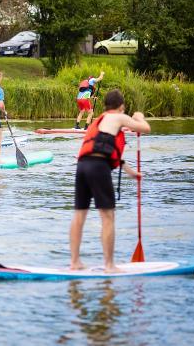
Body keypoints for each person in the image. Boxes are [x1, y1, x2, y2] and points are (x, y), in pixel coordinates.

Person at [70, 89, 150, 273]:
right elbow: (145, 128)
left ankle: (75, 263)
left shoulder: (100, 121)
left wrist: (131, 173)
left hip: (83, 166)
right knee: (107, 217)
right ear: (121, 107)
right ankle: (109, 266)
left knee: (79, 215)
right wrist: (139, 116)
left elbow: (105, 151)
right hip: (98, 168)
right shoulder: (119, 117)